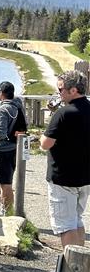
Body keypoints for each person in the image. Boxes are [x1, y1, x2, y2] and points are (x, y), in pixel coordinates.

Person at [40, 70, 90, 249]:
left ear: (73, 90)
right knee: (77, 220)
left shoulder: (63, 113)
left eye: (61, 89)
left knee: (66, 226)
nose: (59, 93)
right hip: (85, 176)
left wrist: (42, 134)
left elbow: (46, 143)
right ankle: (81, 267)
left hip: (63, 178)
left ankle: (70, 271)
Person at [0, 81, 27, 215]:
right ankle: (8, 210)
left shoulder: (3, 109)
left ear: (1, 93)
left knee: (4, 183)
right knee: (8, 181)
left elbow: (0, 133)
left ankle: (6, 212)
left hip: (3, 150)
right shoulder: (19, 106)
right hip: (15, 148)